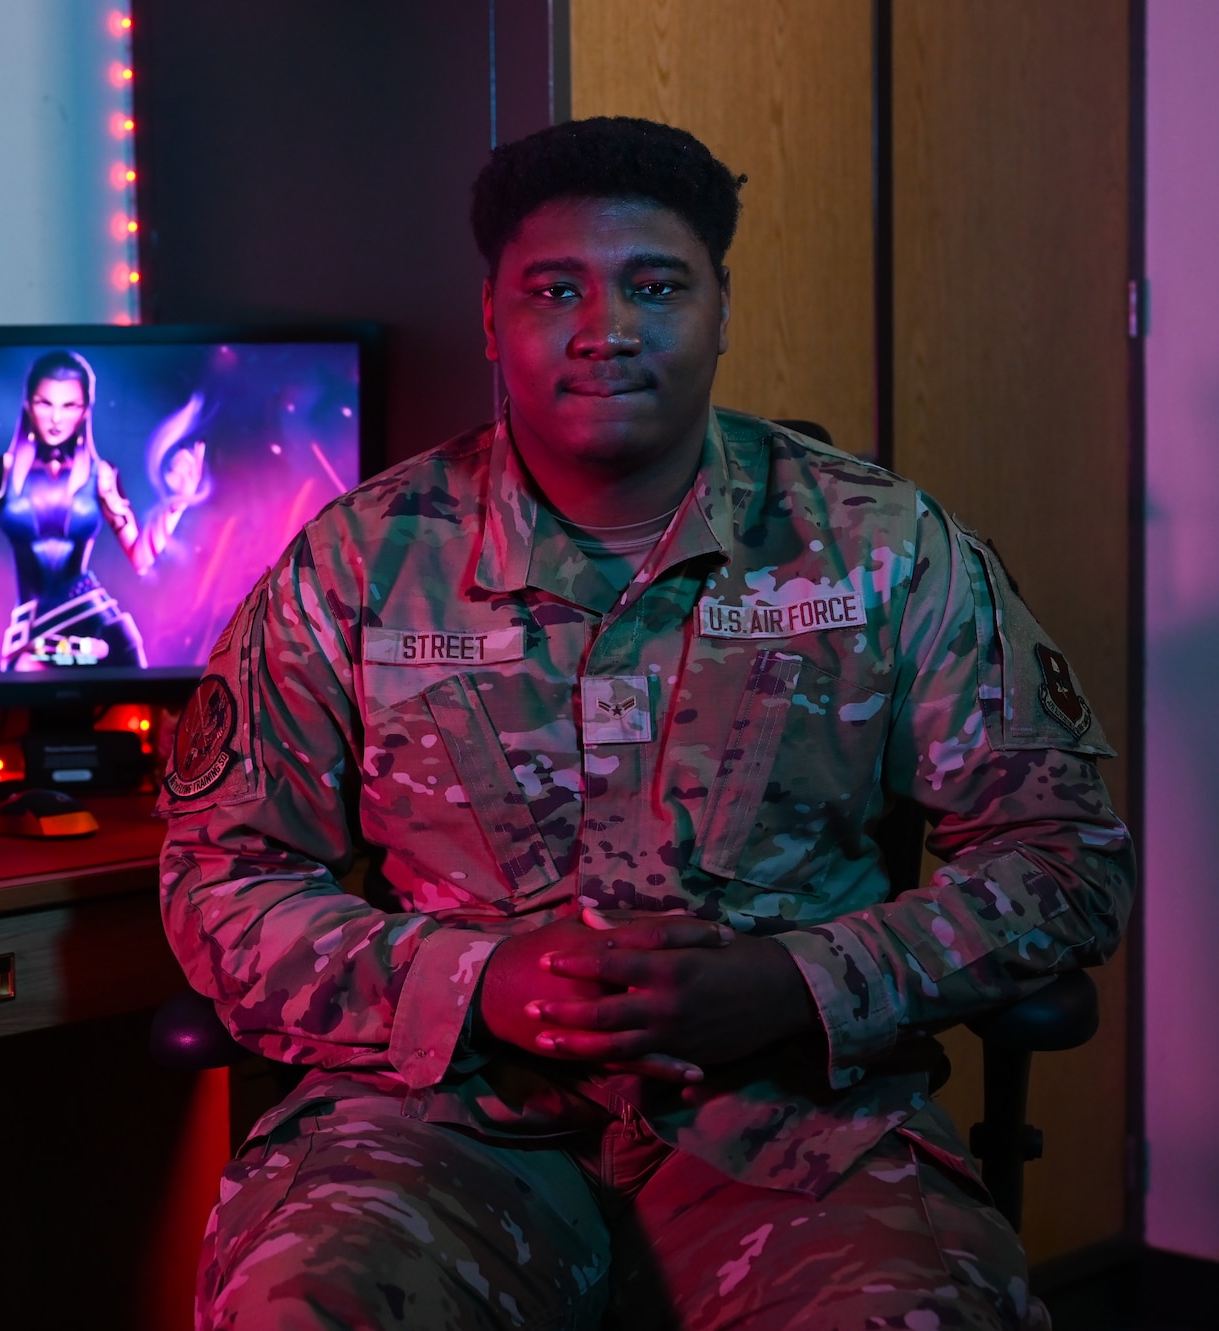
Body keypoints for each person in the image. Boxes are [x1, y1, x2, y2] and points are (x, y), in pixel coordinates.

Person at [157, 116, 1132, 1330]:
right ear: (490, 317)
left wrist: (795, 980)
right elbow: (221, 875)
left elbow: (1062, 858)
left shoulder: (882, 546)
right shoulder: (357, 564)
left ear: (719, 307)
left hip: (794, 1132)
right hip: (439, 1129)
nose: (603, 329)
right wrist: (473, 982)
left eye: (653, 285)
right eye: (553, 289)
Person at [0, 350, 207, 672]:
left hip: (103, 632)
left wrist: (176, 503)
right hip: (34, 637)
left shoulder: (102, 475)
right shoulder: (0, 476)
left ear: (85, 411)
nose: (56, 419)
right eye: (45, 403)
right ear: (28, 404)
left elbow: (142, 559)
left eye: (69, 405)